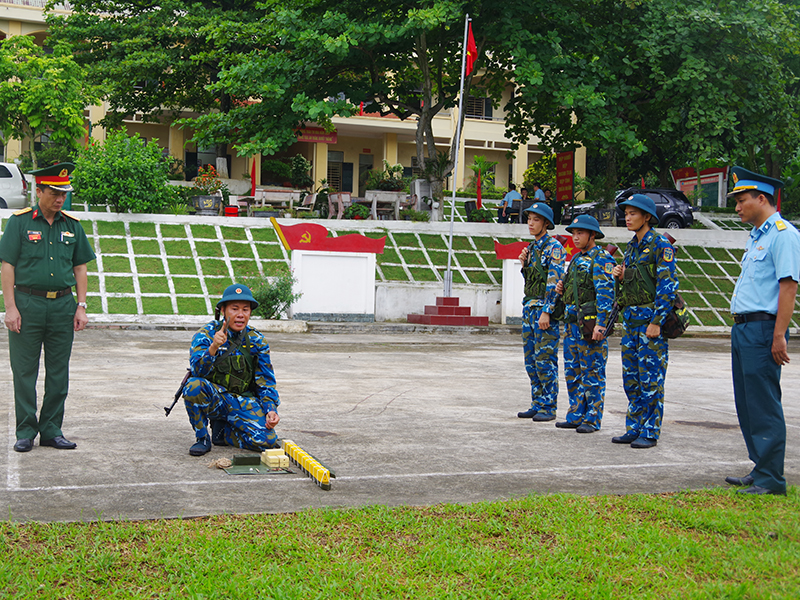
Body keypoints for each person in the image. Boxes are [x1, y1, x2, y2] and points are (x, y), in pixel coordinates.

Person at [0, 163, 95, 453]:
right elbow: (8, 266)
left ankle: (52, 429)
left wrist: (81, 306)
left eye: (64, 194)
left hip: (62, 307)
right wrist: (10, 308)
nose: (60, 199)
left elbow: (80, 268)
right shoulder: (19, 222)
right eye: (54, 193)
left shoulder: (72, 225)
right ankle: (26, 430)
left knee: (58, 373)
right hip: (27, 304)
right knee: (24, 372)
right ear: (38, 191)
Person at [725, 167, 799, 496]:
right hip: (743, 328)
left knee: (764, 403)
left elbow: (788, 287)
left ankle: (772, 478)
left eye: (741, 201)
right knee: (747, 401)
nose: (737, 207)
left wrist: (779, 335)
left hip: (762, 328)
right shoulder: (758, 236)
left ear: (762, 199)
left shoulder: (783, 234)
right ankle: (760, 466)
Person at [611, 194, 678, 448]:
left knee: (651, 380)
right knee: (631, 379)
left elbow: (667, 287)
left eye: (633, 214)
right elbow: (634, 282)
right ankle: (634, 426)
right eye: (626, 213)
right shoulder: (631, 246)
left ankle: (650, 431)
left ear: (647, 217)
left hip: (650, 323)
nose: (627, 218)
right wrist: (620, 275)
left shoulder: (662, 246)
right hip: (631, 322)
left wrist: (657, 321)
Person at [182, 283, 281, 456]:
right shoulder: (205, 335)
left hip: (241, 401)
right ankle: (202, 437)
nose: (241, 315)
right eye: (234, 309)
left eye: (246, 309)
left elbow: (265, 381)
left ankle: (223, 433)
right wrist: (213, 347)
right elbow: (197, 371)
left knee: (268, 442)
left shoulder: (257, 340)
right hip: (215, 399)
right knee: (193, 386)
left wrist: (270, 409)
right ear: (222, 311)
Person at [554, 215, 615, 433]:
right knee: (573, 372)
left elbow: (606, 295)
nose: (575, 237)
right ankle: (576, 413)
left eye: (580, 233)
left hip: (589, 326)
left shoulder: (602, 258)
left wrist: (602, 324)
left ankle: (592, 418)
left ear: (592, 235)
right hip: (572, 326)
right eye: (574, 233)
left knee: (593, 373)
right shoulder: (578, 259)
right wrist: (563, 290)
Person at [517, 203, 566, 422]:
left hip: (543, 311)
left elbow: (554, 281)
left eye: (536, 219)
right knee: (531, 360)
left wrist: (547, 311)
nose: (530, 223)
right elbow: (532, 281)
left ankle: (549, 405)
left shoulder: (554, 248)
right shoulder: (532, 248)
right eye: (529, 219)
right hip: (529, 308)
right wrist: (524, 264)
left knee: (545, 359)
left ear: (546, 223)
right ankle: (537, 402)